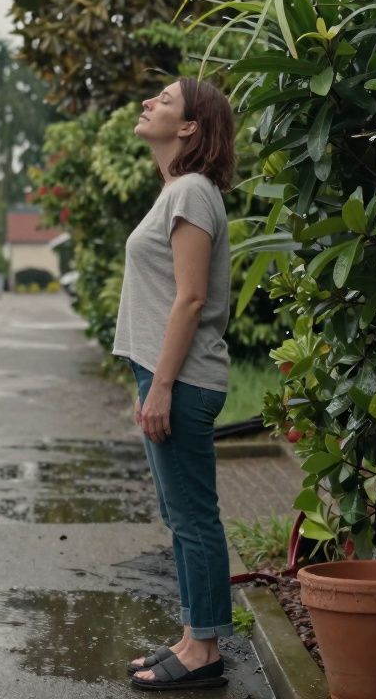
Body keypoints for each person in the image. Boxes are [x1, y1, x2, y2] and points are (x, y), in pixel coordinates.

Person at [113, 77, 236, 691]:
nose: (148, 103)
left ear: (190, 127)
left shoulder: (190, 191)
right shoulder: (178, 190)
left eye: (163, 100)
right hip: (168, 374)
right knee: (181, 514)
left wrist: (160, 386)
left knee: (193, 517)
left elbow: (190, 299)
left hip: (180, 377)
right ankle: (193, 638)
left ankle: (204, 650)